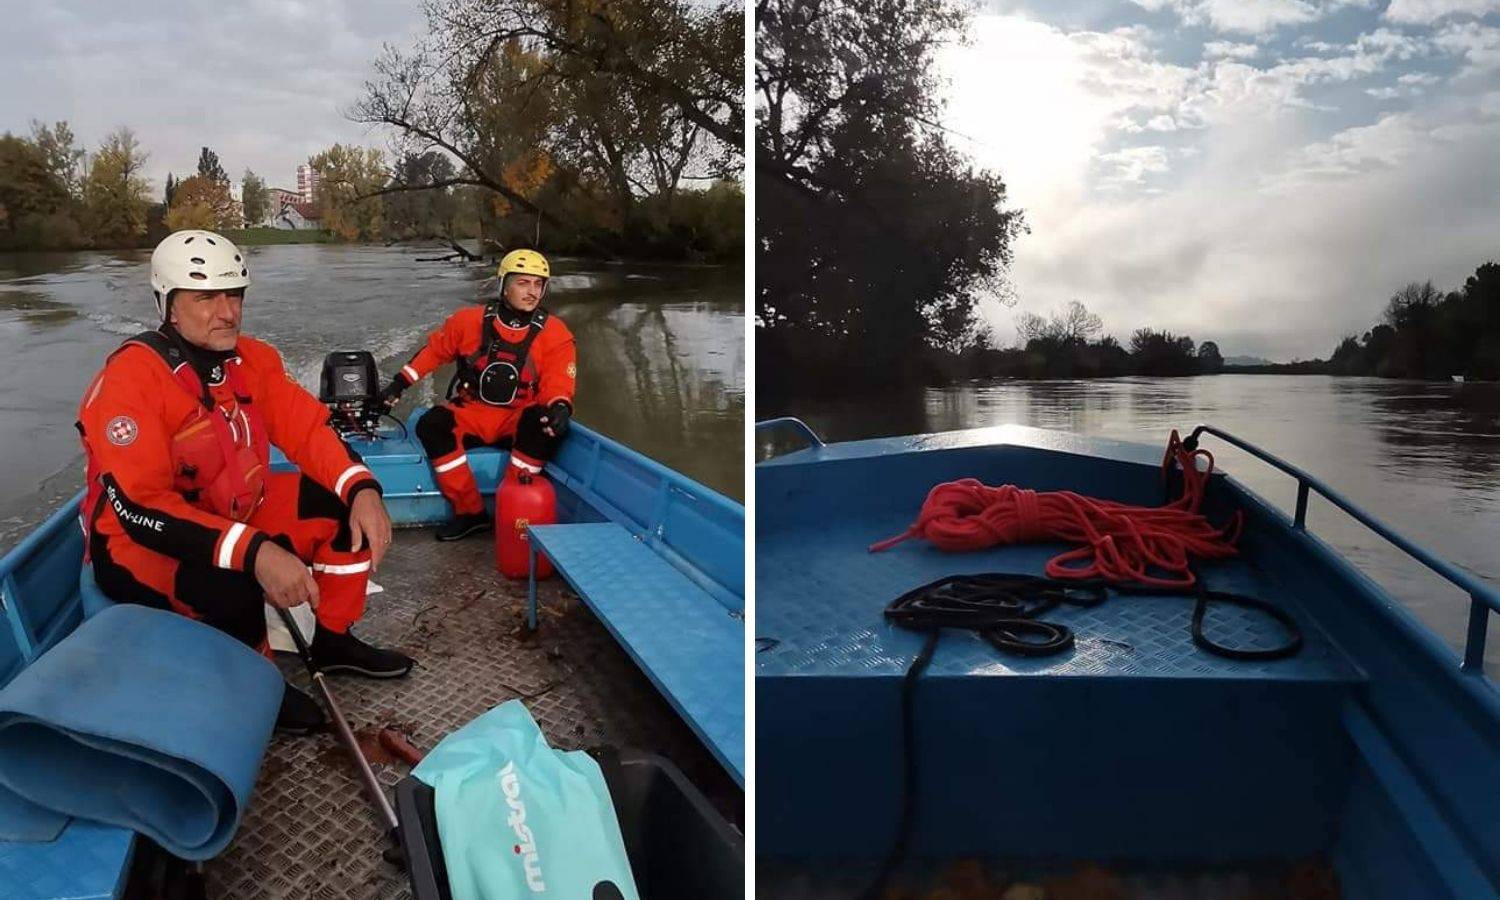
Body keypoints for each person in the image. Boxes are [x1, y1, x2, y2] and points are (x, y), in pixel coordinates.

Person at [76, 229, 414, 735]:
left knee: (338, 507)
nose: (227, 311)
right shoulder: (130, 381)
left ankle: (332, 638)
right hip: (135, 542)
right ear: (169, 307)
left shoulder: (253, 361)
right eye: (206, 296)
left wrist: (361, 488)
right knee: (232, 581)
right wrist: (255, 552)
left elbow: (307, 429)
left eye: (234, 294)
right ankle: (260, 687)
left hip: (233, 511)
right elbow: (140, 509)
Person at [379, 249, 576, 541]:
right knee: (431, 424)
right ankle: (470, 513)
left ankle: (510, 507)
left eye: (538, 284)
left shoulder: (555, 333)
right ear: (504, 285)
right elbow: (434, 352)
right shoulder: (468, 322)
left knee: (543, 423)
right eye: (523, 283)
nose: (532, 292)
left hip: (517, 417)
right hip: (471, 413)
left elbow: (559, 382)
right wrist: (399, 384)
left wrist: (560, 407)